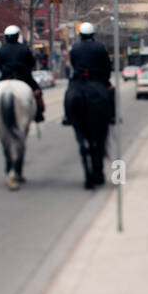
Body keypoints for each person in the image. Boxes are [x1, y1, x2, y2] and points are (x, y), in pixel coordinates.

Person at [64, 22, 115, 189]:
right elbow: (107, 66)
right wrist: (104, 78)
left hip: (79, 80)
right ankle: (112, 115)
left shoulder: (75, 48)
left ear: (80, 34)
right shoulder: (100, 47)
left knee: (69, 95)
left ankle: (67, 116)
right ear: (93, 34)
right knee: (110, 92)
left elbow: (72, 65)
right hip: (97, 80)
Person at [0, 24, 44, 121]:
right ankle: (38, 114)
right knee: (37, 91)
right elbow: (31, 63)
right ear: (17, 36)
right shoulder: (24, 48)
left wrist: (5, 70)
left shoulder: (2, 49)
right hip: (24, 77)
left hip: (6, 76)